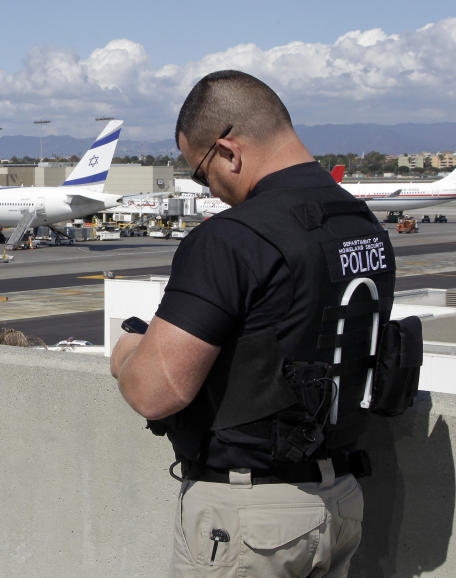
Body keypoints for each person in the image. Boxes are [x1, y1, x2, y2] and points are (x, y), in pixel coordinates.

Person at [110, 70, 395, 576]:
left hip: (253, 521)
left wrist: (128, 350)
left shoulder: (233, 238)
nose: (212, 190)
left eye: (201, 173)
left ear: (228, 151)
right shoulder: (361, 222)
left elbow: (155, 393)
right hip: (342, 499)